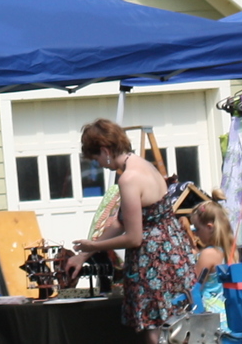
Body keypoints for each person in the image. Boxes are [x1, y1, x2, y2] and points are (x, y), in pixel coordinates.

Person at [65, 118, 190, 342]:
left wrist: (93, 245)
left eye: (96, 159)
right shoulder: (144, 165)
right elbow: (120, 222)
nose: (100, 165)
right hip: (173, 253)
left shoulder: (129, 179)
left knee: (155, 330)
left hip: (154, 261)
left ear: (105, 150)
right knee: (176, 327)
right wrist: (83, 256)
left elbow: (133, 238)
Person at [190, 198, 240, 334]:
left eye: (197, 228)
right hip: (228, 313)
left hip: (209, 314)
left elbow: (194, 287)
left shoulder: (208, 254)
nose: (195, 233)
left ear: (210, 227)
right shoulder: (231, 251)